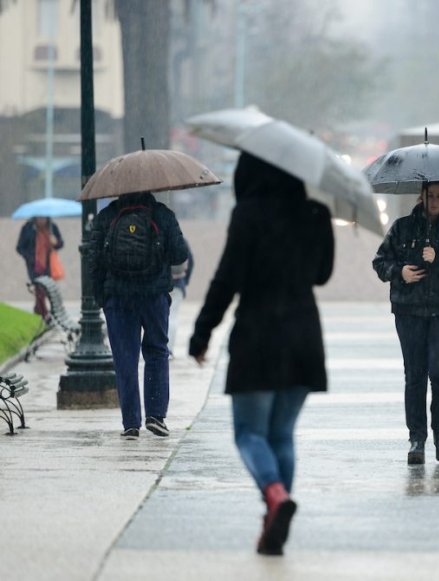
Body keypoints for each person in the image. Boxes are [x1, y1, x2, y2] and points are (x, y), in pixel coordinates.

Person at [189, 152, 334, 556]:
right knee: (282, 434)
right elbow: (322, 273)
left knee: (249, 433)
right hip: (304, 335)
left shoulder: (248, 214)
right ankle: (275, 515)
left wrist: (202, 333)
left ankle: (273, 497)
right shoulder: (317, 214)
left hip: (259, 335)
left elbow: (227, 279)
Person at [372, 181, 439, 465]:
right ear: (422, 195)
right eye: (431, 196)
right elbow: (380, 261)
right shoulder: (402, 227)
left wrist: (438, 259)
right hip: (409, 310)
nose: (436, 201)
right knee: (415, 375)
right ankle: (417, 437)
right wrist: (399, 271)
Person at [90, 191, 188, 440]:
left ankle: (131, 423)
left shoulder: (107, 216)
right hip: (154, 296)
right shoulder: (163, 214)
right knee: (156, 352)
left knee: (125, 359)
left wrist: (102, 297)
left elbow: (94, 260)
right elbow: (180, 255)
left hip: (118, 298)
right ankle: (156, 416)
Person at [16, 217, 64, 320]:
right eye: (39, 217)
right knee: (39, 289)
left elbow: (60, 244)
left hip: (49, 264)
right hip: (34, 265)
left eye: (43, 217)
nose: (41, 220)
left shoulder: (52, 227)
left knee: (45, 290)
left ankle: (39, 312)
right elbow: (19, 247)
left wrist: (55, 242)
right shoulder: (27, 228)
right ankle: (44, 313)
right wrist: (29, 257)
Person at [167, 238, 194, 358]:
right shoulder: (181, 240)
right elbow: (191, 261)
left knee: (161, 317)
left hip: (161, 284)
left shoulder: (158, 235)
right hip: (178, 284)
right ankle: (169, 349)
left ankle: (161, 348)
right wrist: (185, 281)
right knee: (172, 316)